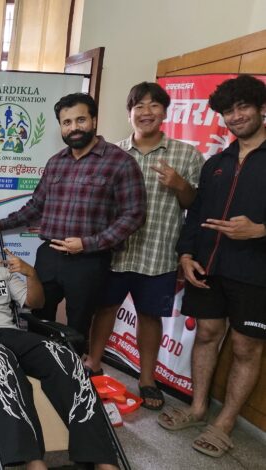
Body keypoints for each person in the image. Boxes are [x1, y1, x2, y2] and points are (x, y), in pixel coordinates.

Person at [0, 220, 118, 470]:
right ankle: (33, 460)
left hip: (10, 333)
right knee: (2, 364)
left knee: (65, 357)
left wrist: (31, 274)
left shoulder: (1, 272)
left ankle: (100, 457)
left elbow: (35, 303)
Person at [0, 93, 145, 349]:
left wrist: (88, 244)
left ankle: (72, 371)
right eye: (67, 122)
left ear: (94, 120)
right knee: (38, 317)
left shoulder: (120, 162)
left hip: (89, 260)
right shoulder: (56, 162)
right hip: (49, 254)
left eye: (80, 120)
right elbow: (36, 205)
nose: (74, 127)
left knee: (78, 326)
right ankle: (40, 365)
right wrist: (1, 224)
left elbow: (134, 214)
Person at [158, 74, 266, 458]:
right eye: (228, 111)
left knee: (245, 346)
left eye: (243, 107)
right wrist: (186, 255)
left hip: (256, 273)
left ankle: (225, 424)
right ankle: (198, 408)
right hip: (208, 267)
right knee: (206, 334)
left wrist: (260, 230)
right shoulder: (216, 162)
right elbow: (197, 213)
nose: (235, 116)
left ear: (262, 108)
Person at [85, 82, 204, 409]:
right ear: (130, 113)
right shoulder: (113, 153)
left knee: (150, 316)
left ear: (165, 112)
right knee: (104, 309)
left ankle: (147, 380)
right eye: (139, 106)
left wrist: (179, 184)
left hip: (158, 252)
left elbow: (194, 205)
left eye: (154, 105)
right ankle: (92, 364)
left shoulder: (187, 154)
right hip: (116, 249)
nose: (146, 112)